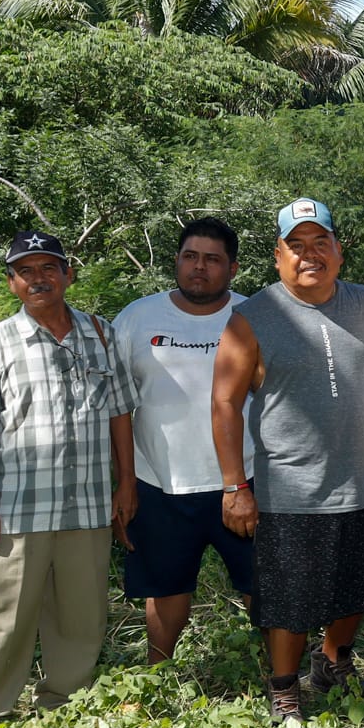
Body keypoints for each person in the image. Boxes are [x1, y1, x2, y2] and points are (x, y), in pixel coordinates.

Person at [212, 198, 364, 725]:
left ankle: (333, 659)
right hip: (288, 488)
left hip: (358, 480)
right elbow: (224, 402)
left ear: (338, 252)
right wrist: (233, 487)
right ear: (278, 255)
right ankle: (284, 688)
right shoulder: (253, 318)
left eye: (321, 243)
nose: (309, 254)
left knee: (357, 586)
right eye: (297, 245)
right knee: (289, 600)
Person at [0, 230, 137, 728]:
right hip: (18, 508)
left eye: (48, 268)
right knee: (3, 618)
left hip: (88, 504)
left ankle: (62, 704)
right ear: (12, 283)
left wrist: (126, 483)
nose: (39, 279)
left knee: (80, 616)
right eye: (26, 271)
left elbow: (121, 412)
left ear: (67, 275)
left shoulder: (101, 334)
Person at [113, 218, 256, 663]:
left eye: (213, 260)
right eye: (190, 257)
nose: (199, 267)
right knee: (166, 587)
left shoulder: (256, 316)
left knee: (262, 584)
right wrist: (124, 483)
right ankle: (157, 674)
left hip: (244, 481)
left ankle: (283, 679)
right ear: (176, 261)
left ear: (232, 268)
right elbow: (116, 405)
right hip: (158, 481)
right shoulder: (137, 317)